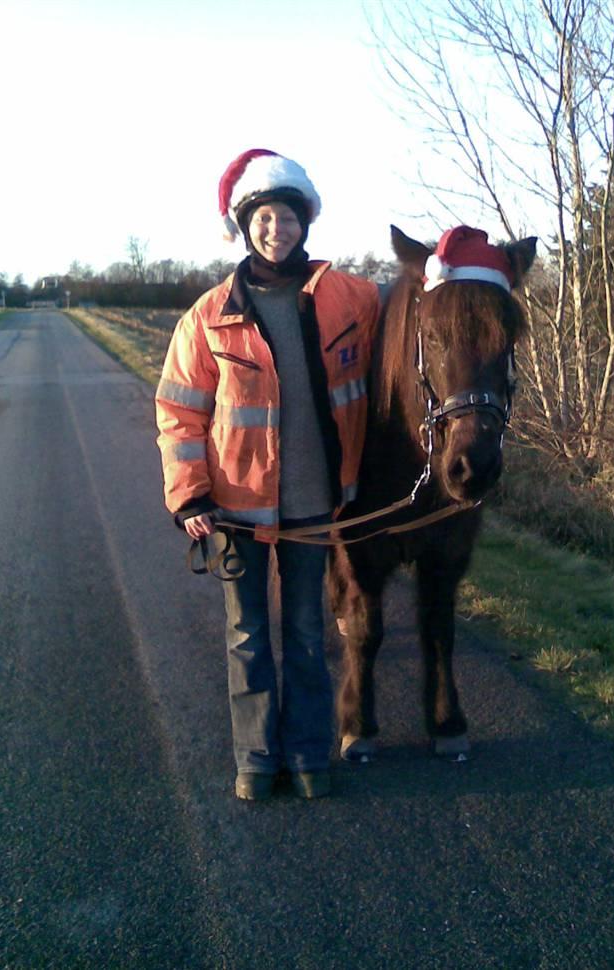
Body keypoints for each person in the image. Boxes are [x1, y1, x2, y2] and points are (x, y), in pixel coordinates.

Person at [156, 149, 381, 800]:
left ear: (304, 223)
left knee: (308, 635)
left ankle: (310, 755)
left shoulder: (350, 297)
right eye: (263, 218)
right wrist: (190, 495)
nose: (276, 229)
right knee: (249, 638)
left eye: (286, 216)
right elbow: (179, 412)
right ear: (245, 226)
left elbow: (409, 320)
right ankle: (257, 759)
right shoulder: (207, 315)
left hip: (315, 506)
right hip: (234, 511)